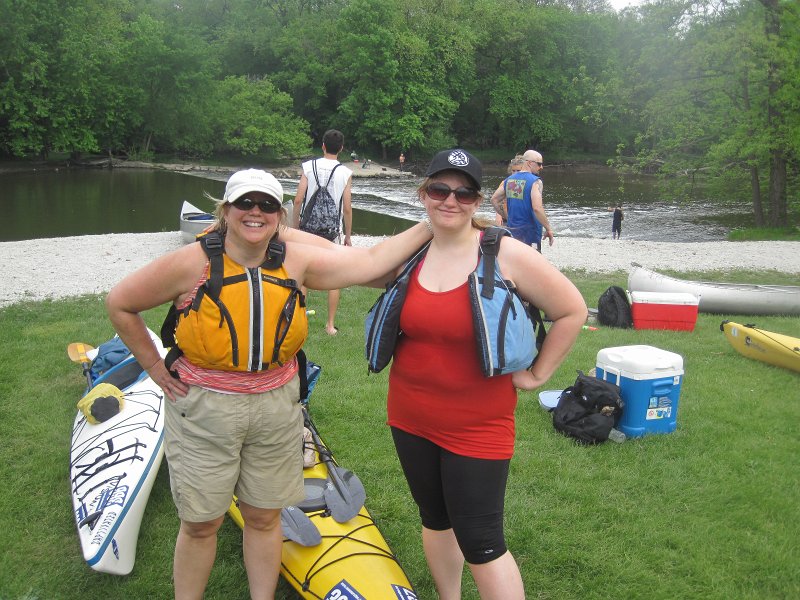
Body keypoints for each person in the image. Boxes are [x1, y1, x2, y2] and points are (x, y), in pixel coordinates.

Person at [105, 168, 433, 600]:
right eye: (245, 203)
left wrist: (432, 222)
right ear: (226, 210)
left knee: (265, 517)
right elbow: (121, 303)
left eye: (266, 205)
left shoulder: (297, 260)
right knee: (201, 523)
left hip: (276, 405)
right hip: (205, 408)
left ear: (280, 214)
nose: (255, 213)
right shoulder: (192, 263)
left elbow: (371, 264)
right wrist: (155, 369)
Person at [382, 149, 586, 599]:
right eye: (439, 189)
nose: (450, 200)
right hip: (410, 416)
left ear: (478, 200)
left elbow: (572, 309)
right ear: (424, 194)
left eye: (464, 192)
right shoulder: (412, 252)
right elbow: (344, 266)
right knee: (434, 519)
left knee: (482, 542)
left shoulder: (503, 252)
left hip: (478, 425)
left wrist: (536, 375)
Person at [292, 129, 353, 335]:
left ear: (323, 146)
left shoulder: (309, 166)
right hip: (332, 230)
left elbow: (298, 199)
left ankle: (300, 321)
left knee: (303, 273)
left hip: (308, 228)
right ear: (341, 149)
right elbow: (346, 207)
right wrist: (348, 235)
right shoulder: (345, 173)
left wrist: (295, 226)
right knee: (334, 277)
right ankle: (330, 325)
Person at [490, 149, 554, 251]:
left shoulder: (509, 180)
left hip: (513, 230)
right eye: (539, 164)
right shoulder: (535, 181)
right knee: (532, 260)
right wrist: (548, 228)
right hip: (530, 231)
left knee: (516, 259)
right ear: (529, 163)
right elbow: (537, 208)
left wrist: (507, 217)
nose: (541, 167)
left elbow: (494, 200)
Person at [494, 155, 526, 226]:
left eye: (518, 171)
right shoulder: (505, 183)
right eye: (513, 171)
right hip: (506, 217)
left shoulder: (528, 183)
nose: (515, 173)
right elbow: (498, 201)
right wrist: (498, 217)